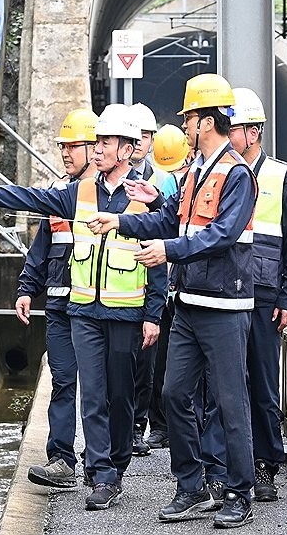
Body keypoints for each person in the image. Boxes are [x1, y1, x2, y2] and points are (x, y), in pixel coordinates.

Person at [0, 104, 166, 512]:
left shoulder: (144, 197)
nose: (97, 149)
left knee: (121, 397)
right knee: (94, 396)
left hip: (125, 314)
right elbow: (33, 198)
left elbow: (159, 257)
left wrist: (153, 313)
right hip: (84, 310)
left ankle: (115, 464)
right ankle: (102, 474)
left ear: (125, 150)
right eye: (96, 141)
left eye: (105, 142)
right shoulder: (79, 192)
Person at [87, 74, 258, 529]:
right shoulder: (196, 172)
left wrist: (168, 251)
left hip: (225, 306)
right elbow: (168, 221)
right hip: (189, 304)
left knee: (229, 400)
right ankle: (192, 486)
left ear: (205, 121)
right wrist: (119, 220)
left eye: (188, 117)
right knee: (174, 394)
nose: (183, 124)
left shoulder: (236, 173)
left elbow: (220, 236)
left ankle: (239, 492)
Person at [227, 88, 287, 502]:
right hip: (227, 291)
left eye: (233, 128)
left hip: (263, 294)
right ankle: (229, 464)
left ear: (253, 132)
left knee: (262, 382)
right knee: (226, 382)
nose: (227, 134)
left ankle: (265, 465)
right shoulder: (219, 172)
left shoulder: (281, 176)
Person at [16, 108, 97, 490]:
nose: (66, 153)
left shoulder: (105, 194)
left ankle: (103, 467)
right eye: (63, 147)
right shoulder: (58, 192)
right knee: (64, 382)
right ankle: (62, 460)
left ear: (94, 147)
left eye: (73, 146)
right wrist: (27, 288)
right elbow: (42, 247)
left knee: (102, 389)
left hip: (96, 308)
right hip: (60, 306)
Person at [140, 125, 190, 453]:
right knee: (161, 366)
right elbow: (165, 217)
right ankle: (159, 426)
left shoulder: (208, 176)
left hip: (188, 284)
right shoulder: (159, 179)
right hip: (168, 282)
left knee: (180, 374)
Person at [127, 101, 163, 456]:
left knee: (146, 365)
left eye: (145, 135)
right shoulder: (108, 178)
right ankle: (124, 429)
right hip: (117, 290)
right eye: (134, 135)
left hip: (150, 282)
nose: (139, 141)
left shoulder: (161, 179)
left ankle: (138, 426)